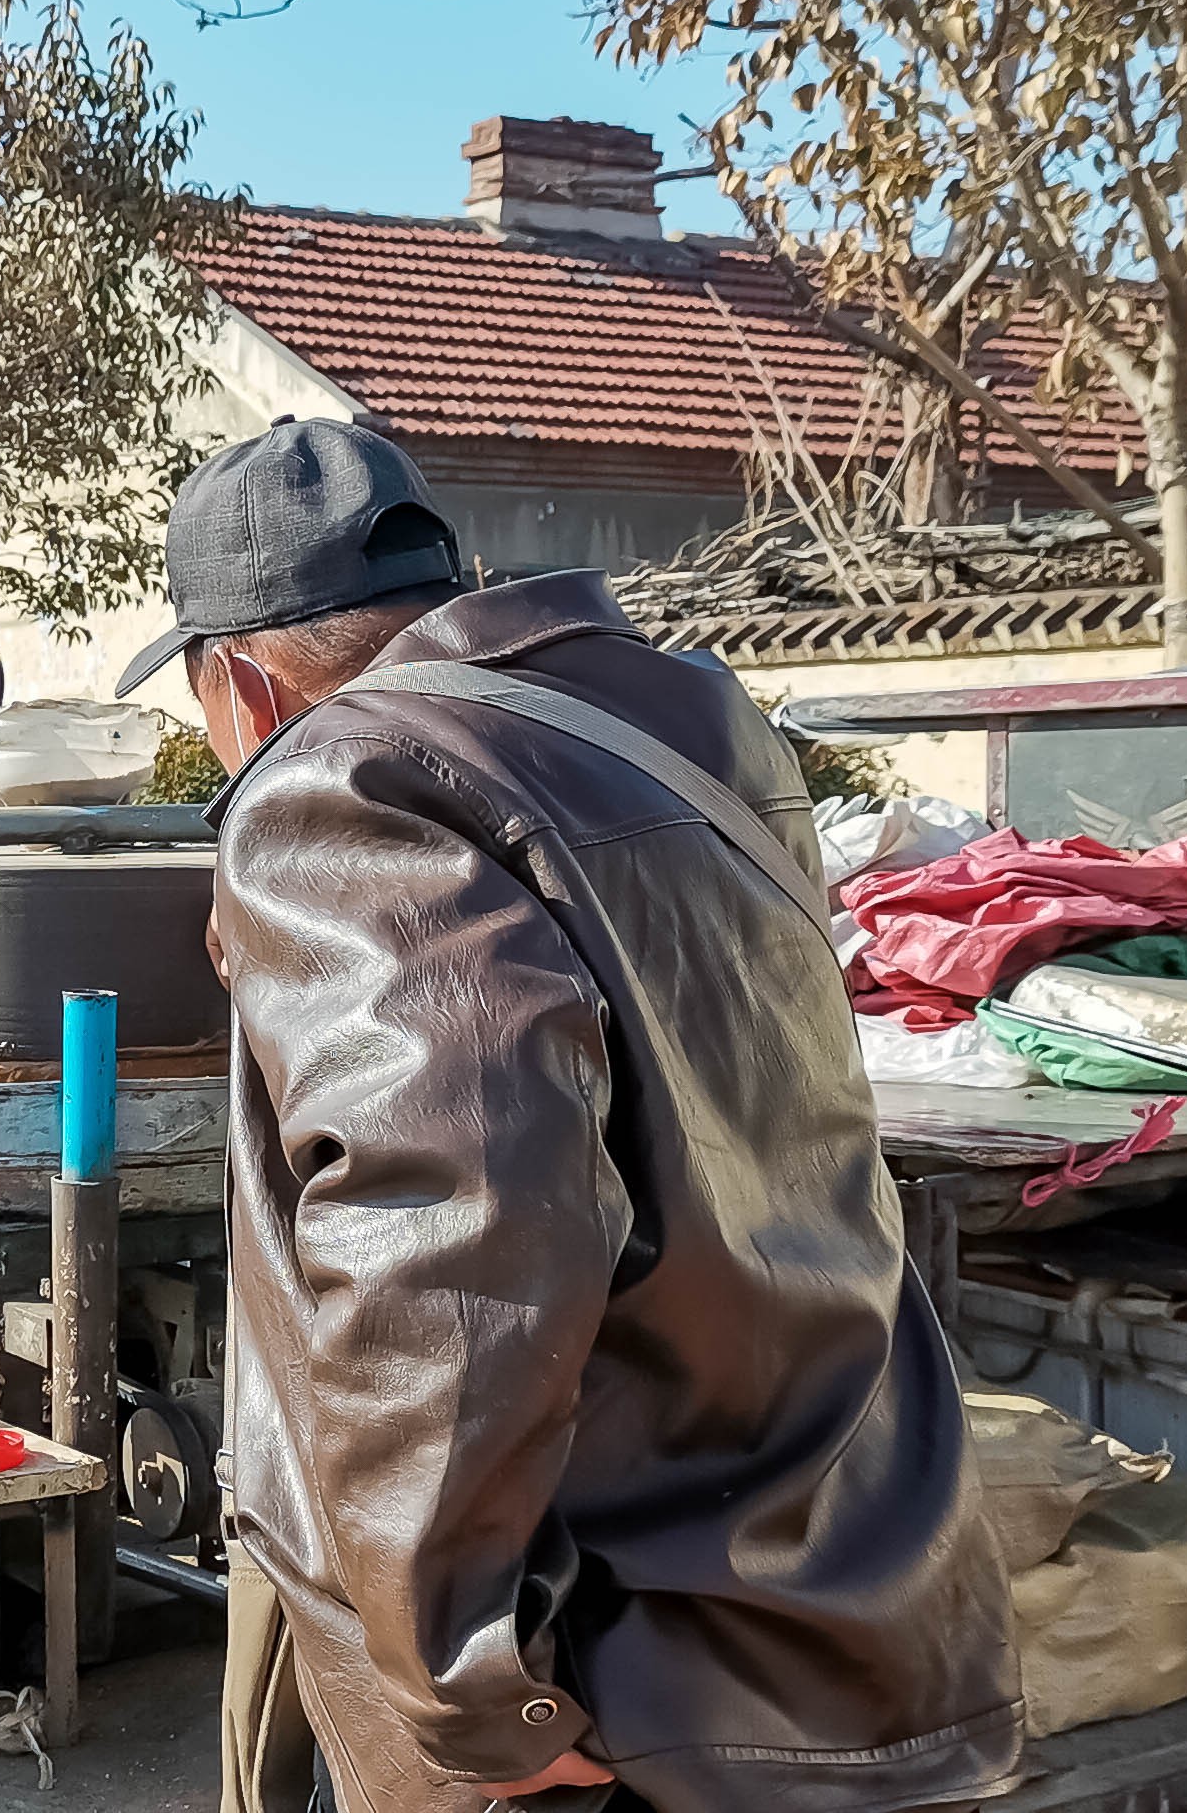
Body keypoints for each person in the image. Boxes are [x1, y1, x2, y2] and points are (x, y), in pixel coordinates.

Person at [113, 421, 1018, 1813]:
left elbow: (451, 1234)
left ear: (238, 681)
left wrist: (476, 1688)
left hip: (613, 1677)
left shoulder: (343, 788)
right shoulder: (696, 732)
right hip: (843, 1580)